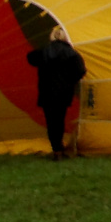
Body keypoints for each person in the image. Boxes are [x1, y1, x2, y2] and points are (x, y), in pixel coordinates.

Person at [26, 26, 86, 160]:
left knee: (51, 122)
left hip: (46, 92)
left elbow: (30, 58)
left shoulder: (44, 52)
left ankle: (56, 149)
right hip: (63, 93)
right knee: (59, 120)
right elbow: (81, 70)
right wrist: (70, 81)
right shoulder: (71, 53)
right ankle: (59, 148)